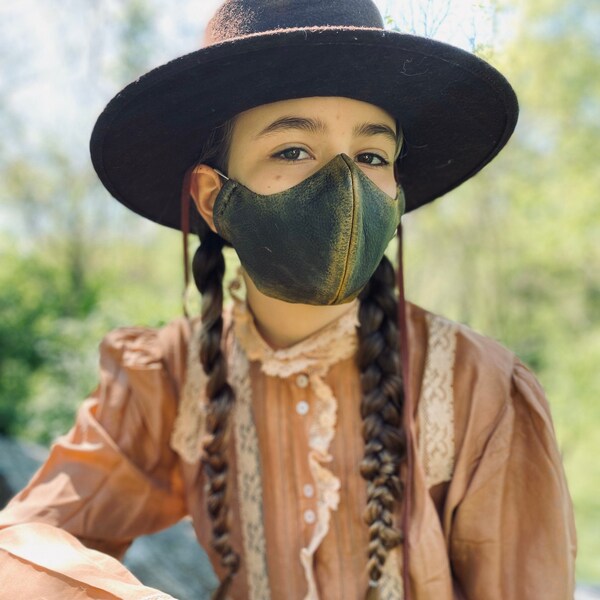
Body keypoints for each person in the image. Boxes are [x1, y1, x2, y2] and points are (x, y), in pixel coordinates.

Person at [0, 1, 576, 599]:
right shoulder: (168, 377)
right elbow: (22, 542)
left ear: (396, 194)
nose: (345, 182)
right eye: (293, 150)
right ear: (209, 196)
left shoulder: (478, 386)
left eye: (372, 156)